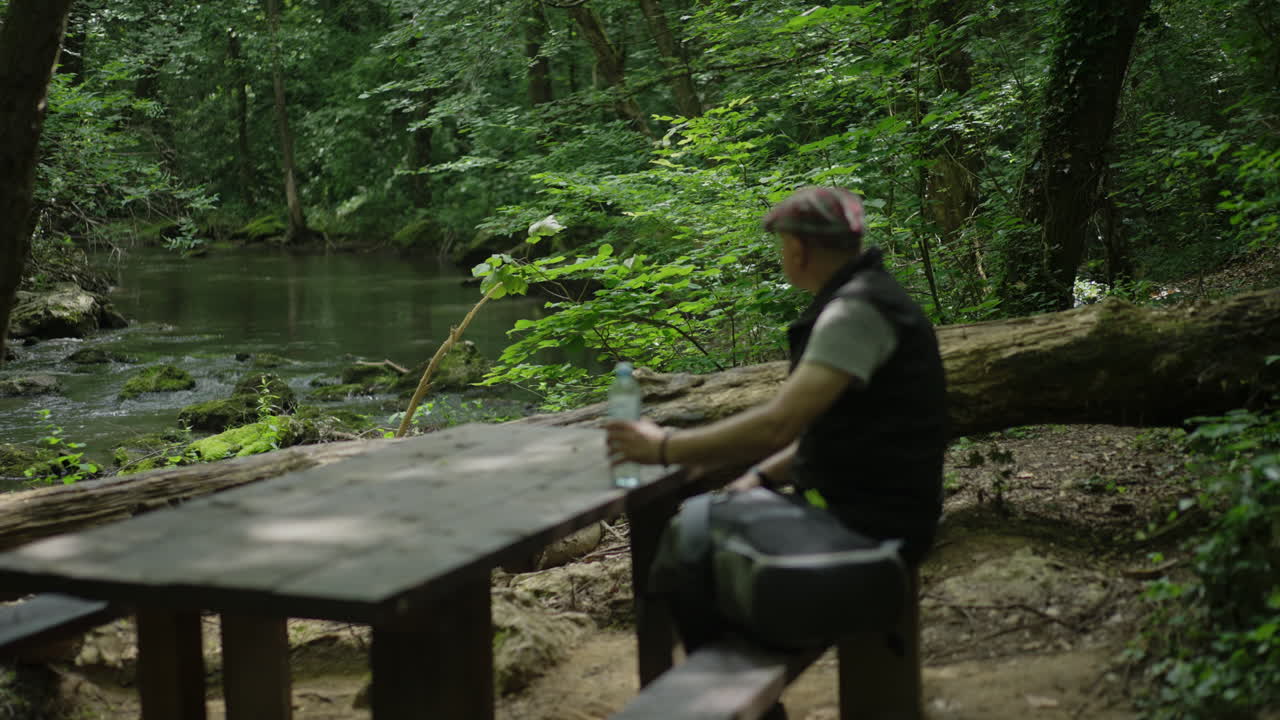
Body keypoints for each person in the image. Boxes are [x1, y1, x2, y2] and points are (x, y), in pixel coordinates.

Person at [605, 186, 948, 718]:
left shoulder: (854, 314)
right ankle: (744, 689)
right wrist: (762, 479)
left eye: (783, 244)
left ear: (798, 250)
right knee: (700, 528)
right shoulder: (871, 298)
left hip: (871, 536)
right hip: (876, 517)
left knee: (689, 538)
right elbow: (832, 432)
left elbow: (780, 422)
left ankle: (735, 699)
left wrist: (665, 447)